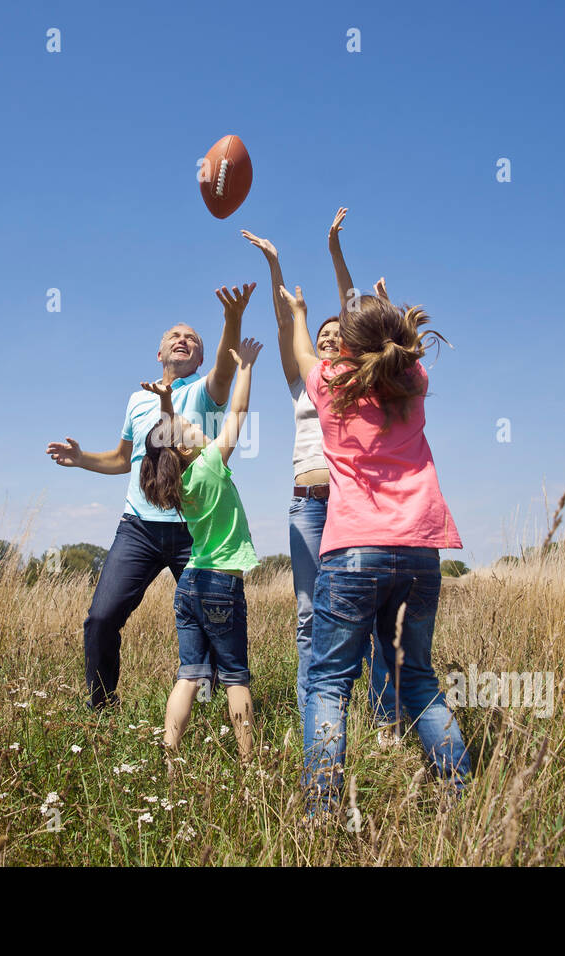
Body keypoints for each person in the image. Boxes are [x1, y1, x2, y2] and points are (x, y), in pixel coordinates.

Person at [280, 281, 471, 813]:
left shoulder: (330, 381)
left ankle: (321, 811)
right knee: (417, 680)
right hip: (419, 551)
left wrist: (298, 311)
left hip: (353, 549)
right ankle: (462, 799)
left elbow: (300, 353)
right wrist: (389, 309)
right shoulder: (413, 379)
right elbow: (400, 348)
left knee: (328, 684)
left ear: (344, 346)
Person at [46, 283, 256, 710]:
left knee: (214, 622)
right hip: (138, 529)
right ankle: (102, 706)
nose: (183, 340)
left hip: (195, 531)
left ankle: (214, 707)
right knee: (101, 618)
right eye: (174, 337)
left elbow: (226, 364)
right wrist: (82, 458)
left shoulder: (205, 391)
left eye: (192, 340)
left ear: (198, 358)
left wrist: (231, 319)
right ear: (159, 355)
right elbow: (125, 459)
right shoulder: (137, 399)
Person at [242, 209, 398, 743]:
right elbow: (288, 322)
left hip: (352, 505)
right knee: (309, 614)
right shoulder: (303, 381)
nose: (328, 338)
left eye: (337, 334)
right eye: (323, 334)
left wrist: (335, 252)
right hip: (308, 504)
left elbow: (356, 310)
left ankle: (382, 716)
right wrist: (274, 264)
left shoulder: (354, 379)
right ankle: (318, 714)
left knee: (370, 614)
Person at [138, 337, 263, 758]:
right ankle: (250, 764)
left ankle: (169, 755)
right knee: (235, 677)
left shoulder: (178, 484)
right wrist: (245, 367)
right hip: (220, 585)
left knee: (188, 676)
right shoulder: (212, 464)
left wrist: (167, 402)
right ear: (188, 447)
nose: (198, 431)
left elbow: (168, 439)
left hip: (188, 583)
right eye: (193, 430)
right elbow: (239, 411)